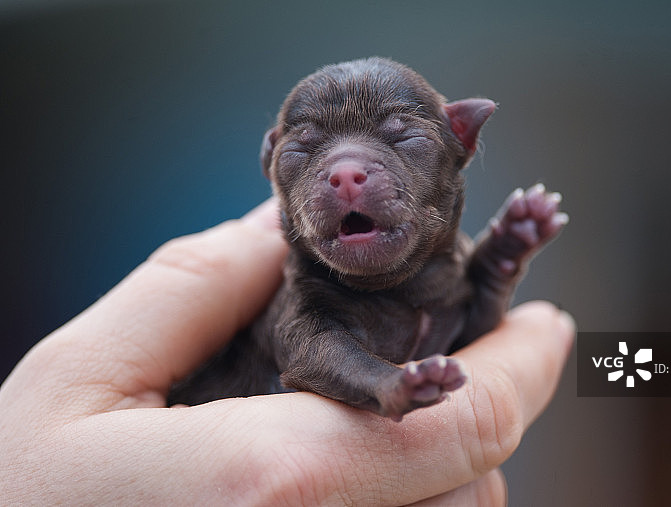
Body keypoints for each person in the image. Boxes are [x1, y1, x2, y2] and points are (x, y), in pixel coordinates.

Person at [0, 198, 574, 505]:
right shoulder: (303, 288)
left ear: (459, 142)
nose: (347, 174)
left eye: (404, 139)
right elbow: (311, 350)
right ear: (277, 168)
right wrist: (387, 386)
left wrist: (496, 268)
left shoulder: (446, 271)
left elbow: (464, 327)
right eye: (307, 147)